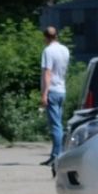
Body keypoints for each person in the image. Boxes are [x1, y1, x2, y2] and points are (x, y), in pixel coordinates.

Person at [40, 24, 69, 167]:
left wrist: (44, 94)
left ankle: (57, 156)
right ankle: (56, 154)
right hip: (62, 90)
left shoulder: (48, 51)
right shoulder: (65, 50)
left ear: (46, 37)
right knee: (59, 125)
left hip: (52, 90)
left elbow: (48, 73)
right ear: (56, 35)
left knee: (55, 126)